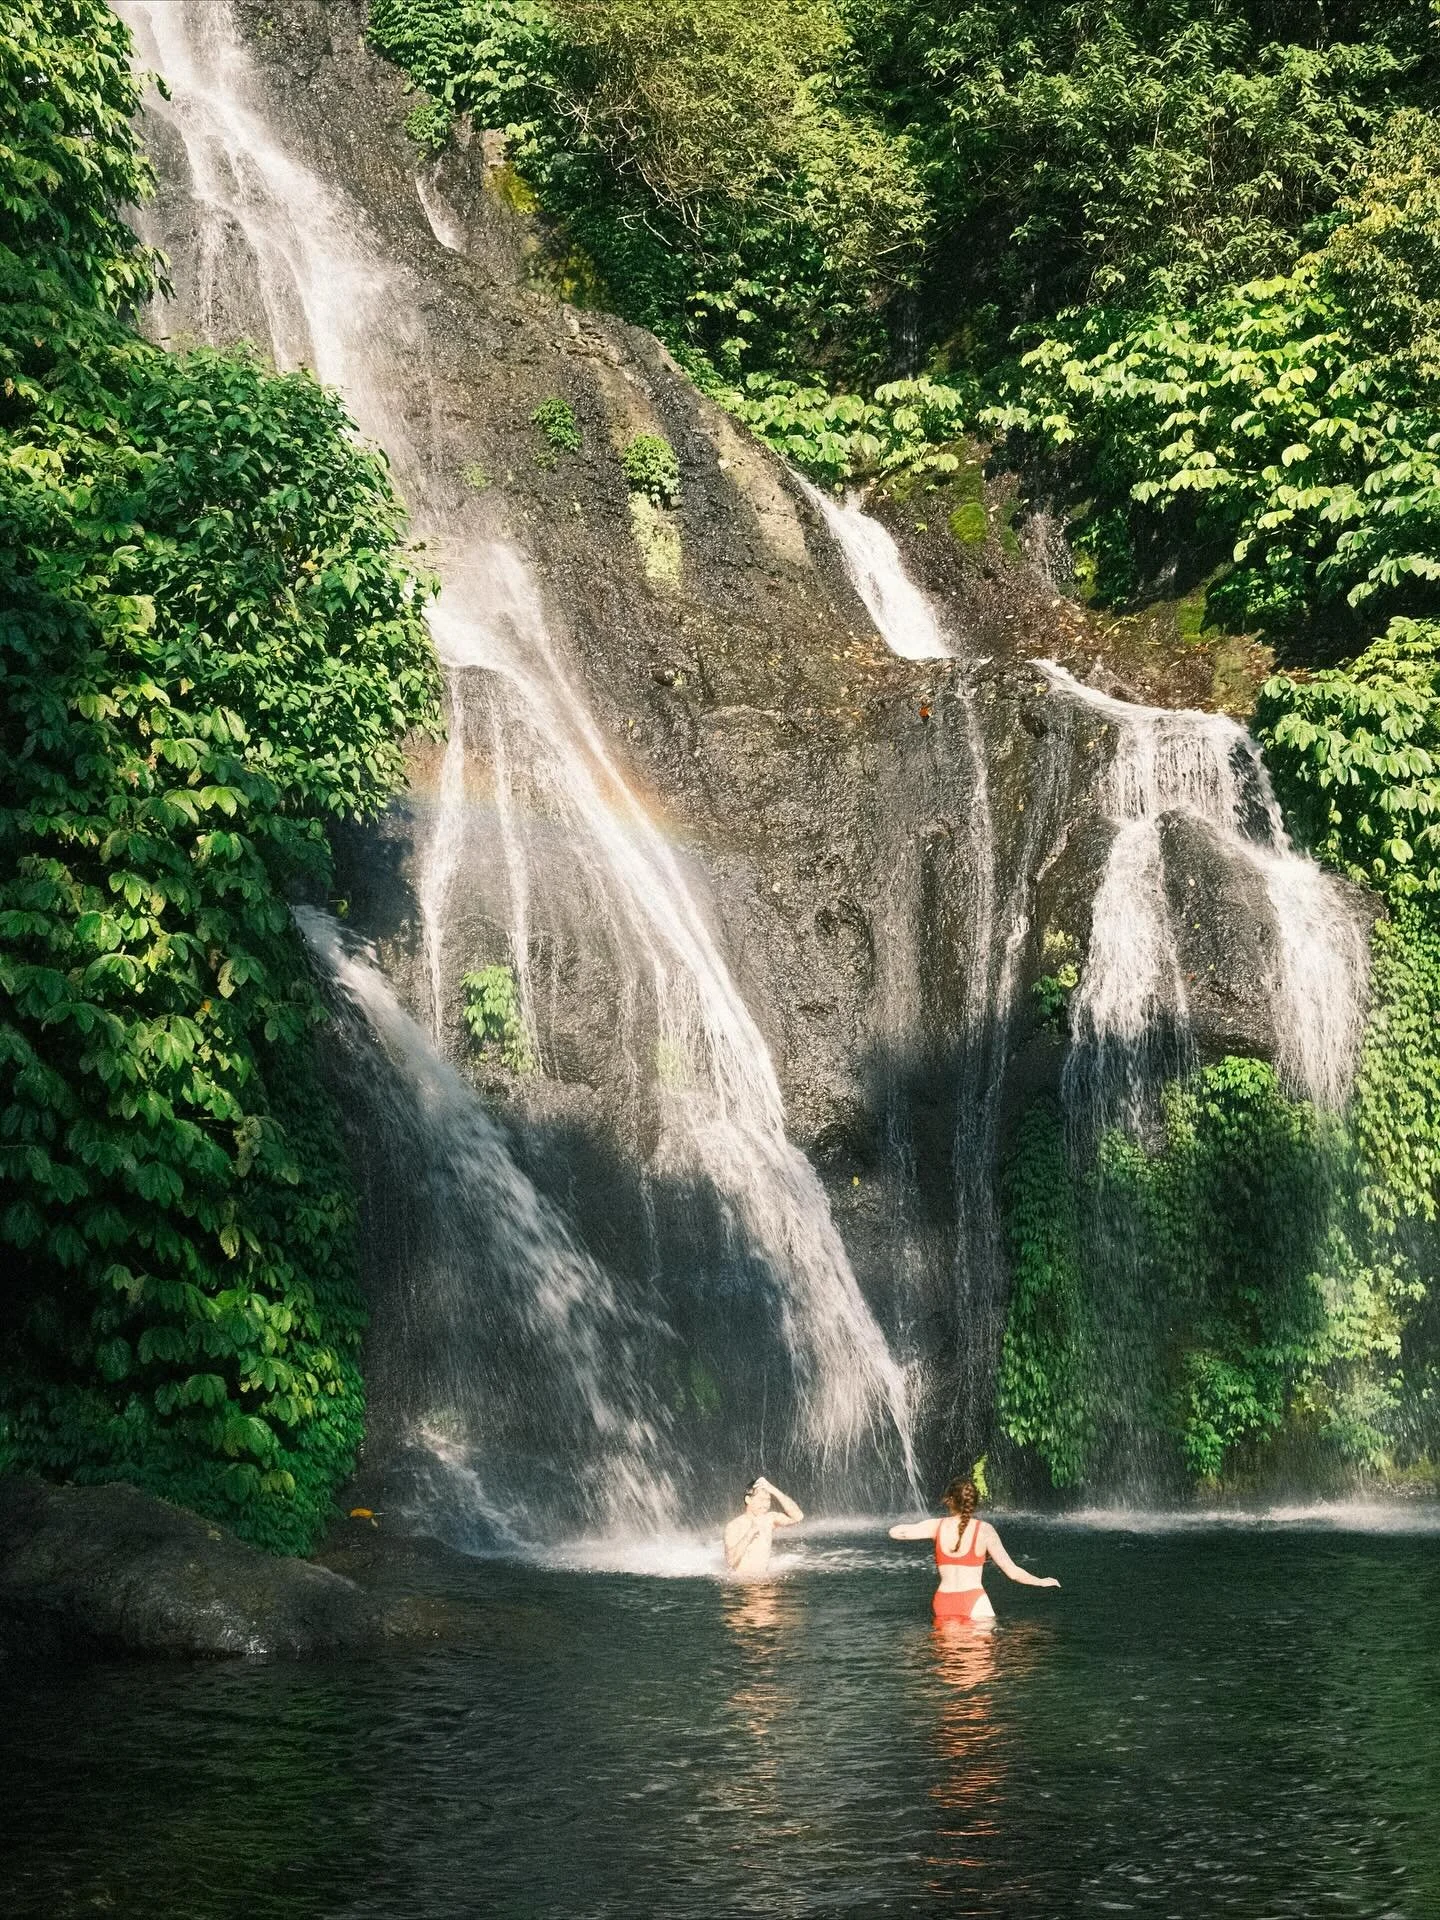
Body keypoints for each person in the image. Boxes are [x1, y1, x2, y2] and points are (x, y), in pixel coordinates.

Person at [889, 1476, 1060, 1625]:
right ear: (974, 1503)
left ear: (949, 1500)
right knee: (980, 1662)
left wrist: (925, 1525)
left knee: (950, 1662)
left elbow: (895, 1532)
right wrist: (1041, 1581)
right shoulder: (985, 1530)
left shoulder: (936, 1526)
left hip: (944, 1601)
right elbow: (1013, 1572)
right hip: (976, 1601)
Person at [723, 1475, 804, 1574]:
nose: (765, 1505)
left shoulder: (769, 1519)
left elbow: (798, 1517)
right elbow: (730, 1561)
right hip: (742, 1584)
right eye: (761, 1500)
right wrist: (750, 1532)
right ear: (748, 1500)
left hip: (764, 1580)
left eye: (768, 1500)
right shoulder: (734, 1526)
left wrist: (774, 1490)